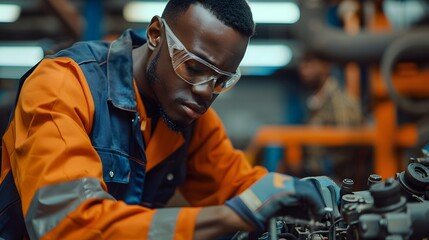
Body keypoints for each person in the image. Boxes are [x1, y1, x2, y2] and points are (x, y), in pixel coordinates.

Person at [0, 1, 337, 239]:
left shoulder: (188, 117)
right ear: (156, 35)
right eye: (193, 67)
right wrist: (230, 216)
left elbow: (239, 186)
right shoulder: (63, 86)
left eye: (221, 80)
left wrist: (300, 195)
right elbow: (68, 225)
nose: (206, 92)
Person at [297, 51, 364, 181]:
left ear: (326, 66)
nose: (303, 68)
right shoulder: (316, 100)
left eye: (310, 62)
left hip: (336, 184)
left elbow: (347, 148)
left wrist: (318, 166)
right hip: (319, 180)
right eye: (302, 62)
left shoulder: (339, 103)